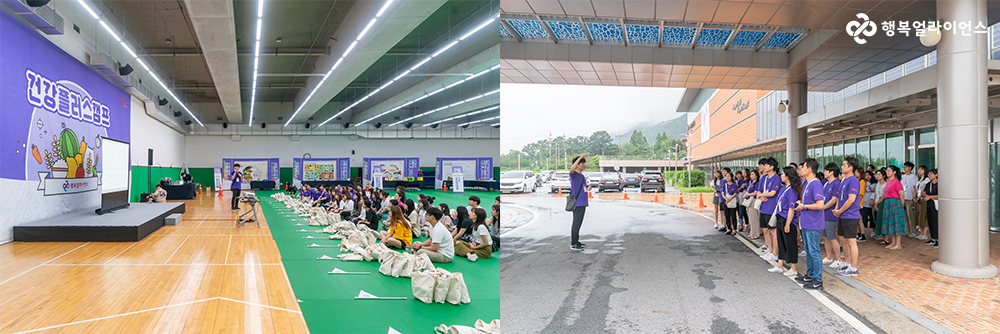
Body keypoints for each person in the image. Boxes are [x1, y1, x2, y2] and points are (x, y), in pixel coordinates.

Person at [794, 159, 826, 289]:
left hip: (813, 223)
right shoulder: (806, 183)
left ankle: (817, 280)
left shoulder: (815, 184)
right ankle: (811, 274)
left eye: (803, 167)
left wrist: (804, 206)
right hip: (806, 222)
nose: (800, 170)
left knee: (814, 251)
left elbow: (820, 204)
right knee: (808, 250)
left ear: (809, 169)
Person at [768, 166, 802, 277]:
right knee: (781, 242)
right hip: (780, 217)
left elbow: (791, 209)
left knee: (790, 243)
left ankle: (793, 268)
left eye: (782, 174)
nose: (781, 175)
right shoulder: (784, 187)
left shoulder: (792, 190)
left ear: (788, 176)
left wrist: (788, 224)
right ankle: (780, 265)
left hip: (788, 219)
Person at [832, 157, 862, 277]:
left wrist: (840, 211)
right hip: (843, 214)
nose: (842, 166)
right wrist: (837, 210)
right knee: (843, 240)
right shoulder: (844, 180)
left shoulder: (854, 181)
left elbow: (851, 199)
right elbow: (840, 197)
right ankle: (847, 263)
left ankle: (854, 268)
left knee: (851, 241)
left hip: (851, 215)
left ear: (851, 167)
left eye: (844, 165)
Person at [756, 158, 782, 261]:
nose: (764, 167)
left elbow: (772, 193)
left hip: (771, 208)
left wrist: (762, 195)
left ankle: (775, 253)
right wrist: (760, 196)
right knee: (765, 230)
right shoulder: (763, 178)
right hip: (763, 207)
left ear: (772, 167)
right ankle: (769, 249)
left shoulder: (776, 178)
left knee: (773, 232)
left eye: (766, 165)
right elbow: (758, 192)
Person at [820, 163, 844, 268]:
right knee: (825, 237)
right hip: (823, 214)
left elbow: (834, 199)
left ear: (831, 172)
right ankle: (829, 257)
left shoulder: (836, 184)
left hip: (831, 214)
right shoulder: (826, 183)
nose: (824, 172)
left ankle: (838, 259)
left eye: (826, 170)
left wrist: (823, 207)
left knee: (832, 237)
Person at [880, 165, 907, 251]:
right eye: (887, 171)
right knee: (890, 223)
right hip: (888, 203)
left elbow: (902, 195)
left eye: (889, 171)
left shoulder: (897, 182)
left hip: (895, 203)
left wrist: (901, 206)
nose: (887, 172)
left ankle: (898, 244)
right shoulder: (888, 182)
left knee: (896, 223)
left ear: (894, 172)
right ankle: (893, 242)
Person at [568, 154, 590, 251]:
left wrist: (588, 189)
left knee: (579, 223)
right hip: (577, 203)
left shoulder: (582, 176)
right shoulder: (573, 175)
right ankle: (573, 243)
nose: (584, 165)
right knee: (576, 223)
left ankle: (577, 241)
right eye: (582, 163)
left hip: (583, 202)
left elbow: (583, 188)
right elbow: (571, 169)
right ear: (577, 165)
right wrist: (580, 158)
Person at [922, 169, 939, 248]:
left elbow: (940, 195)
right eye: (928, 174)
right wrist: (927, 196)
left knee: (936, 222)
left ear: (936, 175)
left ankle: (938, 239)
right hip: (929, 205)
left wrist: (930, 197)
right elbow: (923, 193)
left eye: (931, 174)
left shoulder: (939, 184)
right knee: (930, 221)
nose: (929, 175)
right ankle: (932, 238)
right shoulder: (928, 184)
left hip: (936, 206)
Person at [901, 162, 919, 238]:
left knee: (910, 215)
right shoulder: (902, 176)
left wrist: (913, 198)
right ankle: (907, 230)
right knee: (904, 215)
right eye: (903, 166)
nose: (904, 168)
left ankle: (913, 231)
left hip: (909, 198)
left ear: (910, 168)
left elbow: (915, 188)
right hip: (903, 198)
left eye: (905, 166)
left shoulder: (914, 177)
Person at [914, 165, 930, 241]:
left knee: (924, 216)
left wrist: (918, 198)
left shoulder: (927, 179)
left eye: (921, 169)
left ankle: (924, 234)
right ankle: (921, 233)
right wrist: (914, 198)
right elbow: (916, 189)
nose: (919, 170)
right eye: (919, 169)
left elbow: (923, 190)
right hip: (917, 199)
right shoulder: (918, 180)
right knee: (919, 216)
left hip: (923, 199)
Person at [721, 169, 739, 235]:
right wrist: (726, 199)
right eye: (726, 176)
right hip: (726, 201)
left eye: (728, 176)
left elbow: (735, 193)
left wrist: (730, 198)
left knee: (733, 216)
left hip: (732, 200)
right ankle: (729, 228)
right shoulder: (724, 184)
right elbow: (722, 192)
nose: (727, 177)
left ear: (731, 177)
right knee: (727, 215)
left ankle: (734, 229)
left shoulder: (734, 185)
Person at [873, 169, 888, 244]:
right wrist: (875, 202)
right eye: (876, 174)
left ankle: (886, 239)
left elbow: (884, 196)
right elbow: (876, 194)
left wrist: (877, 203)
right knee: (878, 220)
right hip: (878, 202)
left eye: (879, 174)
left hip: (883, 203)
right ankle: (882, 237)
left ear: (884, 176)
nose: (877, 176)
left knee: (883, 220)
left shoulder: (886, 184)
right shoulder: (878, 183)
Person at [745, 170, 761, 240]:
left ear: (756, 176)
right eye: (751, 174)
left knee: (754, 218)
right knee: (751, 218)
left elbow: (755, 193)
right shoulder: (751, 183)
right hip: (749, 201)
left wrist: (747, 194)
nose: (751, 176)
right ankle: (752, 233)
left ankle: (755, 234)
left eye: (753, 174)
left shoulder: (757, 183)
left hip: (753, 200)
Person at [861, 171, 877, 241]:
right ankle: (863, 233)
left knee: (872, 219)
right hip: (864, 203)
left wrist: (872, 191)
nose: (867, 176)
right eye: (866, 175)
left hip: (871, 203)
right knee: (863, 219)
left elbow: (876, 193)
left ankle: (874, 231)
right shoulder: (864, 183)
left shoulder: (874, 184)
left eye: (869, 175)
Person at [855, 168, 868, 242]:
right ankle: (858, 234)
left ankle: (863, 235)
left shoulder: (862, 182)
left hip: (859, 204)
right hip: (857, 203)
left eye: (857, 172)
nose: (855, 173)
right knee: (857, 220)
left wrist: (857, 203)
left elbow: (860, 194)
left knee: (860, 220)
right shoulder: (857, 181)